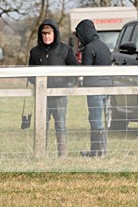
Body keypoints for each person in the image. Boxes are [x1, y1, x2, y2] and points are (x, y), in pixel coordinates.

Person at [28, 19, 78, 157]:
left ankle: (62, 155)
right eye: (43, 33)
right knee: (41, 126)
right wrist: (38, 85)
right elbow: (29, 74)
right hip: (41, 97)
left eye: (49, 33)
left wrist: (68, 84)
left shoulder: (65, 49)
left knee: (60, 125)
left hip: (60, 96)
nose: (46, 36)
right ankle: (41, 154)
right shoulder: (34, 52)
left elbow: (75, 69)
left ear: (55, 34)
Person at [75, 19, 112, 156]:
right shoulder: (104, 46)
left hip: (95, 88)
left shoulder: (89, 48)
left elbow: (86, 70)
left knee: (95, 120)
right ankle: (98, 150)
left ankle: (98, 151)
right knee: (101, 119)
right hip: (107, 87)